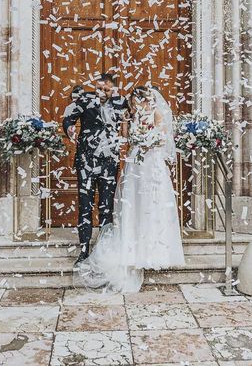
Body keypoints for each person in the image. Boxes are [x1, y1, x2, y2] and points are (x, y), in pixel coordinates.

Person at [76, 85, 185, 293]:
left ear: (145, 99)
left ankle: (154, 250)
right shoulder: (131, 116)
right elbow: (126, 139)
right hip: (135, 163)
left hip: (152, 164)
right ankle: (133, 246)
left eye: (136, 102)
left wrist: (150, 141)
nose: (134, 106)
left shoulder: (156, 113)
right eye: (132, 103)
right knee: (133, 203)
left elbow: (164, 137)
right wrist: (127, 123)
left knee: (152, 204)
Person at [62, 73, 128, 263]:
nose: (103, 92)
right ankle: (83, 250)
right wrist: (70, 129)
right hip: (86, 162)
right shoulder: (83, 100)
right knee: (85, 206)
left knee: (106, 207)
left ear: (113, 89)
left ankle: (104, 250)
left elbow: (140, 109)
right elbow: (68, 119)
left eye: (107, 90)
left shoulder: (121, 103)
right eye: (100, 89)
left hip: (109, 163)